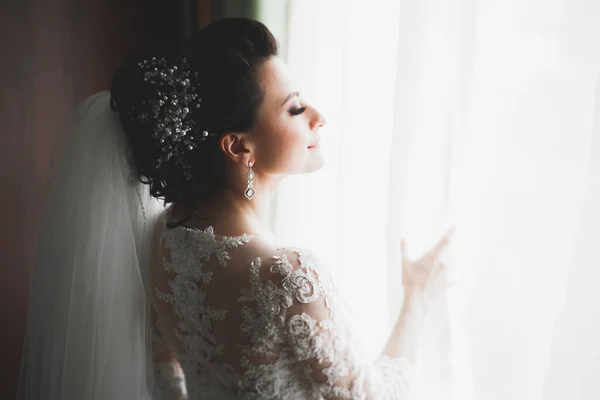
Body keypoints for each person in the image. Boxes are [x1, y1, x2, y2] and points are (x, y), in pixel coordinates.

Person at [18, 18, 454, 400]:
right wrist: (416, 299)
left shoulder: (161, 239)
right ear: (238, 146)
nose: (319, 116)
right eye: (296, 108)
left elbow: (165, 371)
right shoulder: (290, 275)